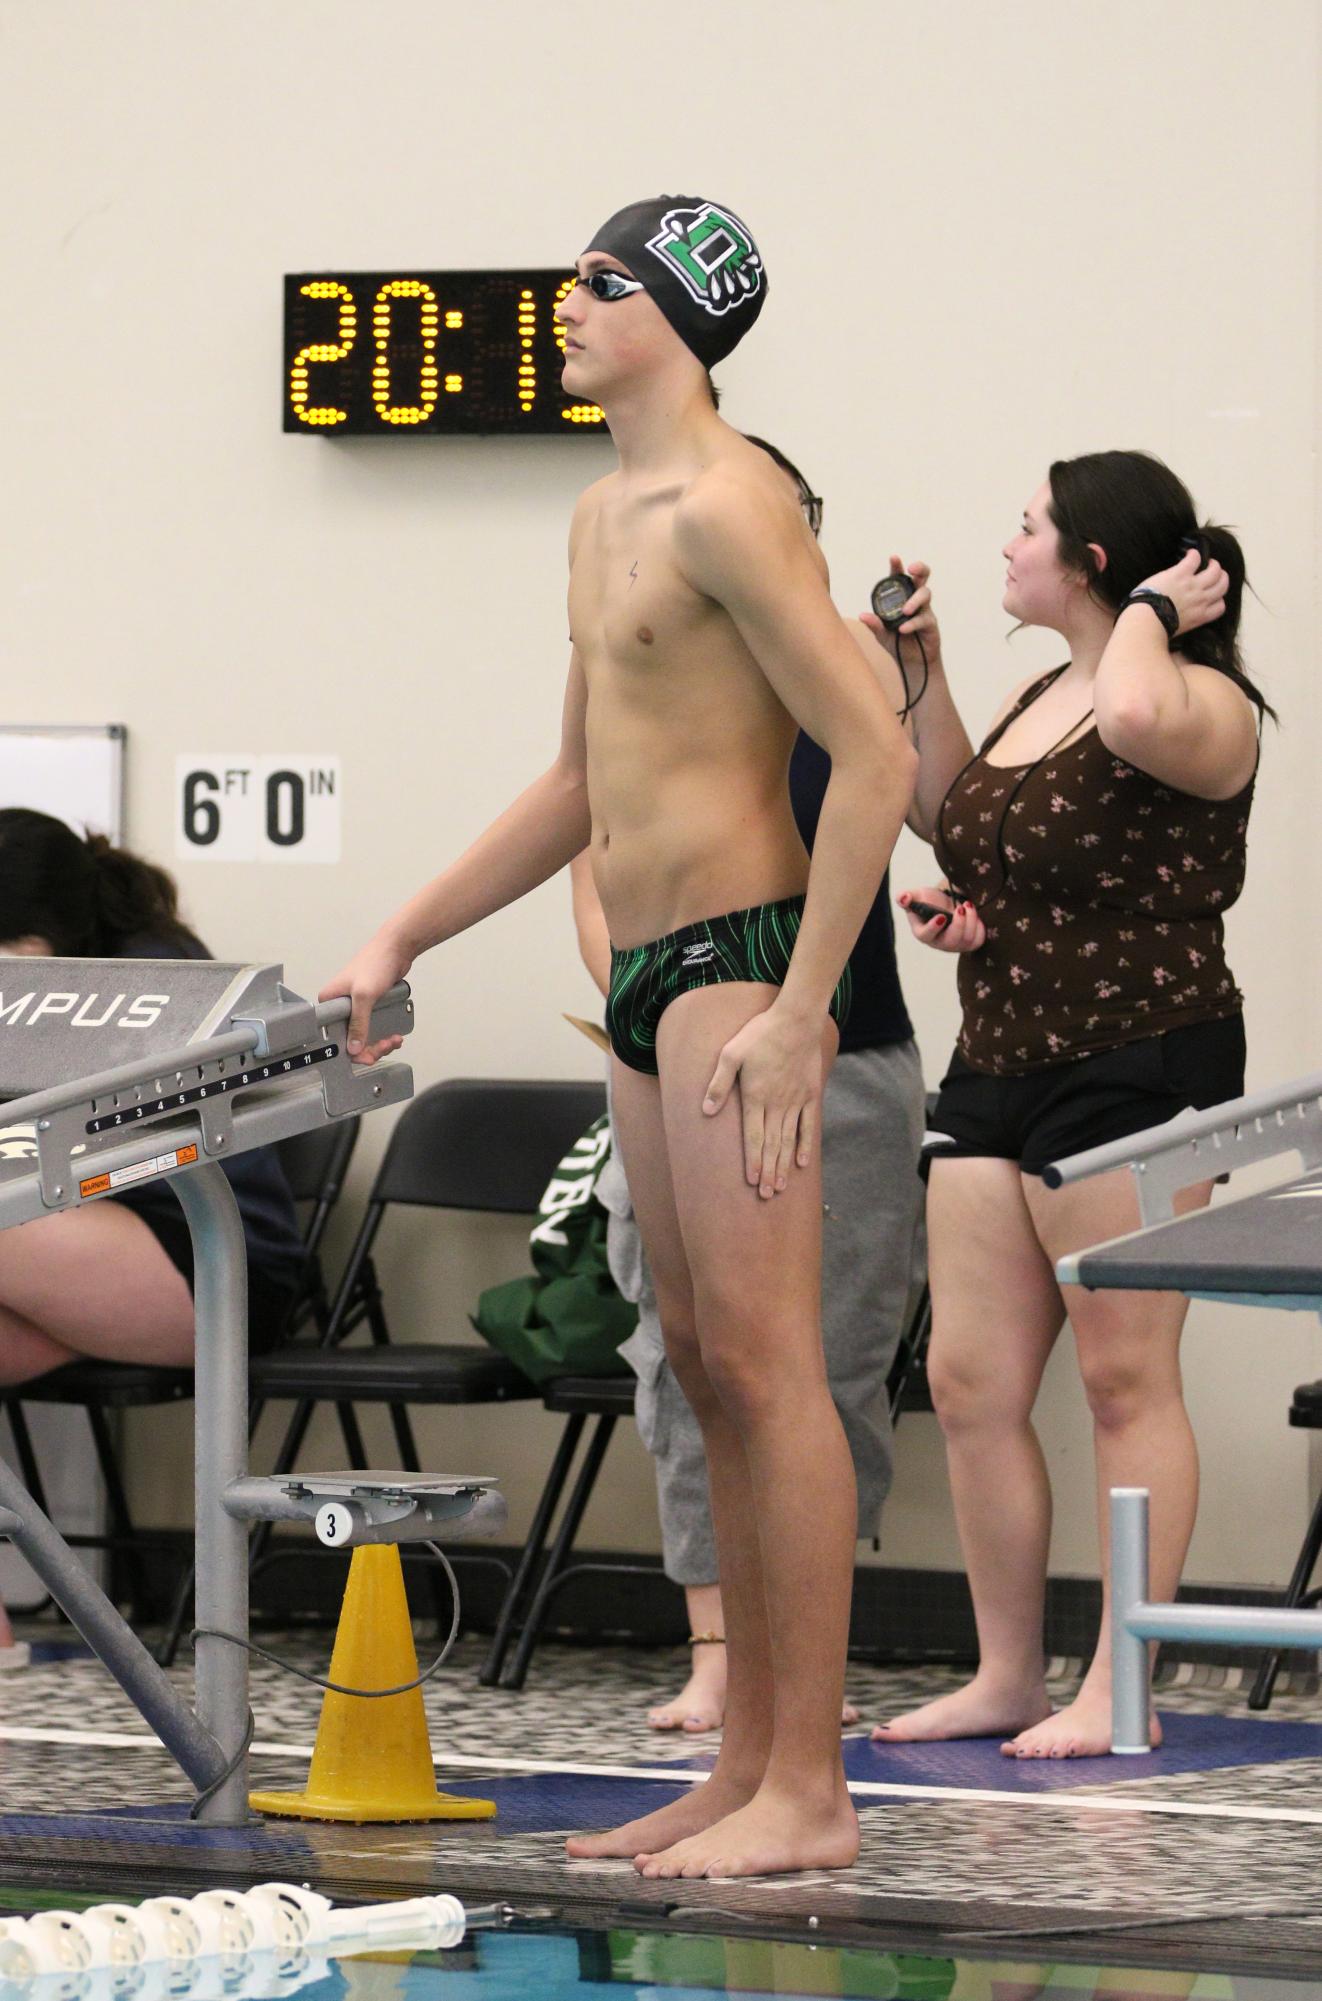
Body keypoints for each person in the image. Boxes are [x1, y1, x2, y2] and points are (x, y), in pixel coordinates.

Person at [322, 195, 917, 1878]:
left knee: (772, 1366)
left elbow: (869, 752)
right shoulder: (597, 517)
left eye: (597, 284)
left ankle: (811, 1789)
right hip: (646, 976)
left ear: (676, 315)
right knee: (704, 1377)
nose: (563, 307)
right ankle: (743, 1769)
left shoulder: (735, 507)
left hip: (741, 961)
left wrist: (806, 1007)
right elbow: (578, 782)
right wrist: (401, 928)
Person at [572, 436, 970, 1736]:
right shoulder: (644, 657)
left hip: (838, 1051)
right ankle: (714, 1644)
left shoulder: (846, 660)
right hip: (683, 1049)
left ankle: (801, 1661)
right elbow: (597, 853)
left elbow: (937, 812)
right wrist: (665, 1017)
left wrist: (921, 670)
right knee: (683, 1354)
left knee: (827, 1362)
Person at [872, 451, 1267, 1759]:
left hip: (1140, 1056)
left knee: (1117, 1375)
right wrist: (921, 671)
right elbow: (946, 811)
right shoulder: (1042, 690)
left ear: (1094, 560)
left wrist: (1159, 614)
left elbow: (1143, 726)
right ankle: (1003, 1671)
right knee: (970, 1375)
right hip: (1002, 1053)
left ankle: (1123, 1677)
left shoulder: (1200, 698)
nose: (1006, 544)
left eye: (1029, 526)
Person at [0, 810, 306, 1663]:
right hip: (105, 1241)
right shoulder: (61, 965)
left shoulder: (153, 979)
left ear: (44, 935)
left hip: (218, 1262)